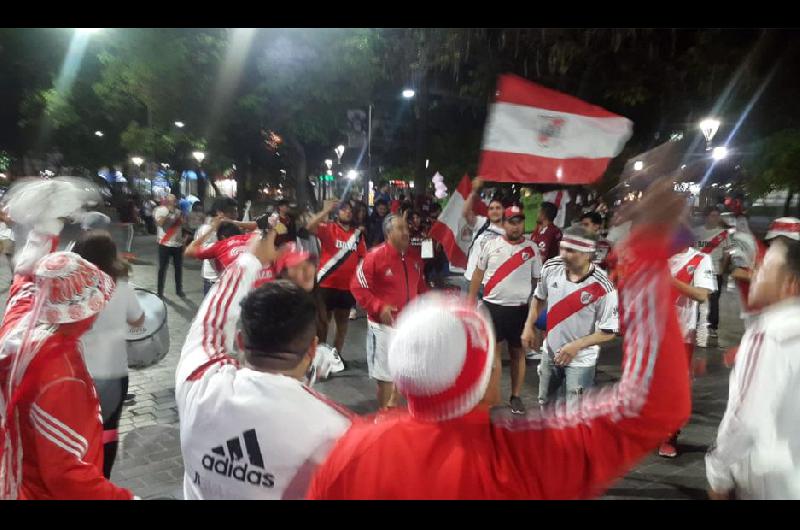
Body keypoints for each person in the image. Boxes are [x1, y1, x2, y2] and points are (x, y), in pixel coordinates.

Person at [307, 181, 692, 499]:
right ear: (485, 376)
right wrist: (645, 255)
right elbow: (655, 405)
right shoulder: (521, 458)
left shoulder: (350, 451)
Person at [175, 233, 352, 500]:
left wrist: (250, 259)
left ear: (240, 341)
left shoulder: (199, 382)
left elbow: (211, 321)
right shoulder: (340, 430)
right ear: (312, 349)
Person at [0, 229, 133, 499]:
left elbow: (22, 281)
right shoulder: (62, 375)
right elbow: (65, 474)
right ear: (79, 311)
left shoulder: (21, 322)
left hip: (17, 469)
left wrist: (43, 231)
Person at [705, 235, 800, 500]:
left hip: (770, 482)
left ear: (790, 284)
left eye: (765, 267)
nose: (754, 271)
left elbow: (744, 420)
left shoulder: (768, 334)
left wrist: (717, 474)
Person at [73, 231, 145, 477]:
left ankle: (82, 475)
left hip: (77, 371)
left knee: (79, 428)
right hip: (113, 372)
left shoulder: (72, 286)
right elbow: (138, 320)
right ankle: (103, 478)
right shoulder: (122, 285)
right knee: (109, 429)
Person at [522, 225, 618, 409]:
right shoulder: (551, 267)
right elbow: (538, 298)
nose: (564, 254)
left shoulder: (603, 286)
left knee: (574, 414)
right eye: (562, 248)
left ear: (588, 253)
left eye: (571, 250)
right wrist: (529, 326)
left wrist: (575, 346)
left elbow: (608, 331)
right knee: (545, 405)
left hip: (581, 361)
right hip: (549, 353)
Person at [468, 205, 542, 414]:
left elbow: (537, 281)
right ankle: (492, 395)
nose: (515, 226)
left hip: (519, 310)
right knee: (494, 354)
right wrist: (470, 301)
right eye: (511, 221)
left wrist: (534, 313)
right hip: (493, 308)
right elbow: (477, 274)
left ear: (523, 224)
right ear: (505, 223)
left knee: (518, 353)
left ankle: (515, 396)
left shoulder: (532, 249)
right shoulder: (490, 245)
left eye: (519, 221)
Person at [350, 213, 428, 410]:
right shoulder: (374, 257)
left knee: (405, 371)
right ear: (388, 233)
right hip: (383, 327)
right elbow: (357, 286)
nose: (406, 232)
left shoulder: (414, 257)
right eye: (400, 228)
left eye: (406, 228)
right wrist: (379, 307)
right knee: (385, 376)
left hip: (409, 326)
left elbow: (420, 286)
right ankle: (383, 417)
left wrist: (431, 303)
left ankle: (394, 404)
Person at [659, 226, 716, 458]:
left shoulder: (700, 259)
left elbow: (702, 295)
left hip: (681, 334)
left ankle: (669, 436)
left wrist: (669, 281)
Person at [307, 200, 367, 363]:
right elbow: (309, 227)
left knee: (342, 324)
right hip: (326, 284)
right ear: (337, 212)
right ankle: (319, 357)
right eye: (343, 209)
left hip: (347, 287)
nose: (347, 212)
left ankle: (335, 357)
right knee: (322, 324)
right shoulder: (329, 228)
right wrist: (325, 211)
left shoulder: (358, 235)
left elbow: (363, 257)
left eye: (350, 210)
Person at [694, 206, 732, 347]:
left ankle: (712, 327)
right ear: (706, 217)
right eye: (712, 215)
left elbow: (727, 252)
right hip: (697, 271)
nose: (715, 218)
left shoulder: (723, 234)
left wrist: (722, 268)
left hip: (715, 270)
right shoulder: (697, 232)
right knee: (696, 299)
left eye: (717, 216)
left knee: (714, 301)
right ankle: (696, 322)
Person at [462, 177, 505, 287]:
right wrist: (474, 191)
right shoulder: (482, 223)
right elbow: (466, 213)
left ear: (503, 211)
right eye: (491, 208)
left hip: (491, 285)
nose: (494, 211)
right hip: (470, 279)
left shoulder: (508, 231)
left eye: (498, 208)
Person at [193, 198, 240, 296]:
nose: (236, 215)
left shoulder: (233, 227)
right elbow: (201, 252)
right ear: (219, 212)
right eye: (232, 212)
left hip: (231, 279)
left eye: (236, 211)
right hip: (214, 280)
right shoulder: (207, 229)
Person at [155, 194, 186, 298]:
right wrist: (169, 212)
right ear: (167, 201)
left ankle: (179, 289)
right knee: (162, 268)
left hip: (177, 244)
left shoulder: (179, 212)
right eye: (172, 200)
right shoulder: (160, 210)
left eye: (175, 200)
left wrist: (181, 218)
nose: (174, 202)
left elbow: (183, 225)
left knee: (178, 268)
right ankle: (160, 291)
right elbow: (160, 223)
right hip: (165, 243)